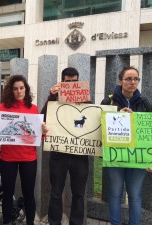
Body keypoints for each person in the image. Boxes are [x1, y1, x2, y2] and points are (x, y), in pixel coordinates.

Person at [0, 75, 49, 225]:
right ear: (11, 90)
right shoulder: (3, 107)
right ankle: (6, 222)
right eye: (15, 88)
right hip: (8, 158)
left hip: (28, 158)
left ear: (26, 89)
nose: (19, 91)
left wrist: (43, 132)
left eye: (21, 88)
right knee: (8, 193)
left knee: (29, 194)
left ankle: (30, 222)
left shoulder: (33, 108)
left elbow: (38, 137)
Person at [101, 66, 152, 225]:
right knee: (115, 194)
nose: (132, 82)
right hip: (115, 157)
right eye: (128, 78)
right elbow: (99, 127)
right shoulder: (107, 101)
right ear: (120, 81)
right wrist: (117, 116)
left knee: (135, 195)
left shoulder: (145, 103)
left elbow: (149, 131)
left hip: (137, 158)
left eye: (136, 79)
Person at [41, 67, 89, 225]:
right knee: (56, 192)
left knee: (79, 194)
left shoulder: (86, 101)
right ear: (62, 82)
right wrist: (52, 96)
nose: (71, 85)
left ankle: (76, 222)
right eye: (67, 82)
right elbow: (42, 117)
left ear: (78, 82)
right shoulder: (54, 99)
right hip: (58, 155)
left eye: (74, 82)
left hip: (80, 155)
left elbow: (94, 120)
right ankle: (54, 222)